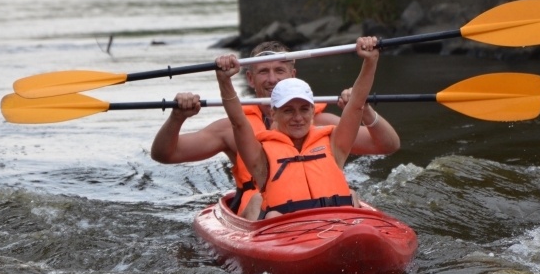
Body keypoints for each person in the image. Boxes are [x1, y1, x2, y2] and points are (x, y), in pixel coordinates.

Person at [151, 40, 400, 215]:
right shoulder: (238, 135)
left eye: (279, 70)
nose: (272, 79)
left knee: (350, 194)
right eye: (264, 72)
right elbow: (166, 154)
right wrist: (177, 117)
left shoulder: (327, 131)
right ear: (250, 79)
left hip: (327, 214)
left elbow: (386, 143)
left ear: (293, 74)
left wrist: (366, 106)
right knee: (258, 199)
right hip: (271, 216)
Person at [214, 37, 380, 219]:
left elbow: (356, 104)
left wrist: (370, 60)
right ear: (274, 113)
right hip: (288, 233)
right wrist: (224, 81)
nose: (298, 118)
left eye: (304, 109)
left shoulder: (335, 145)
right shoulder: (261, 159)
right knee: (270, 213)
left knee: (351, 195)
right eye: (288, 111)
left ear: (312, 110)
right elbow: (238, 122)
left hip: (337, 225)